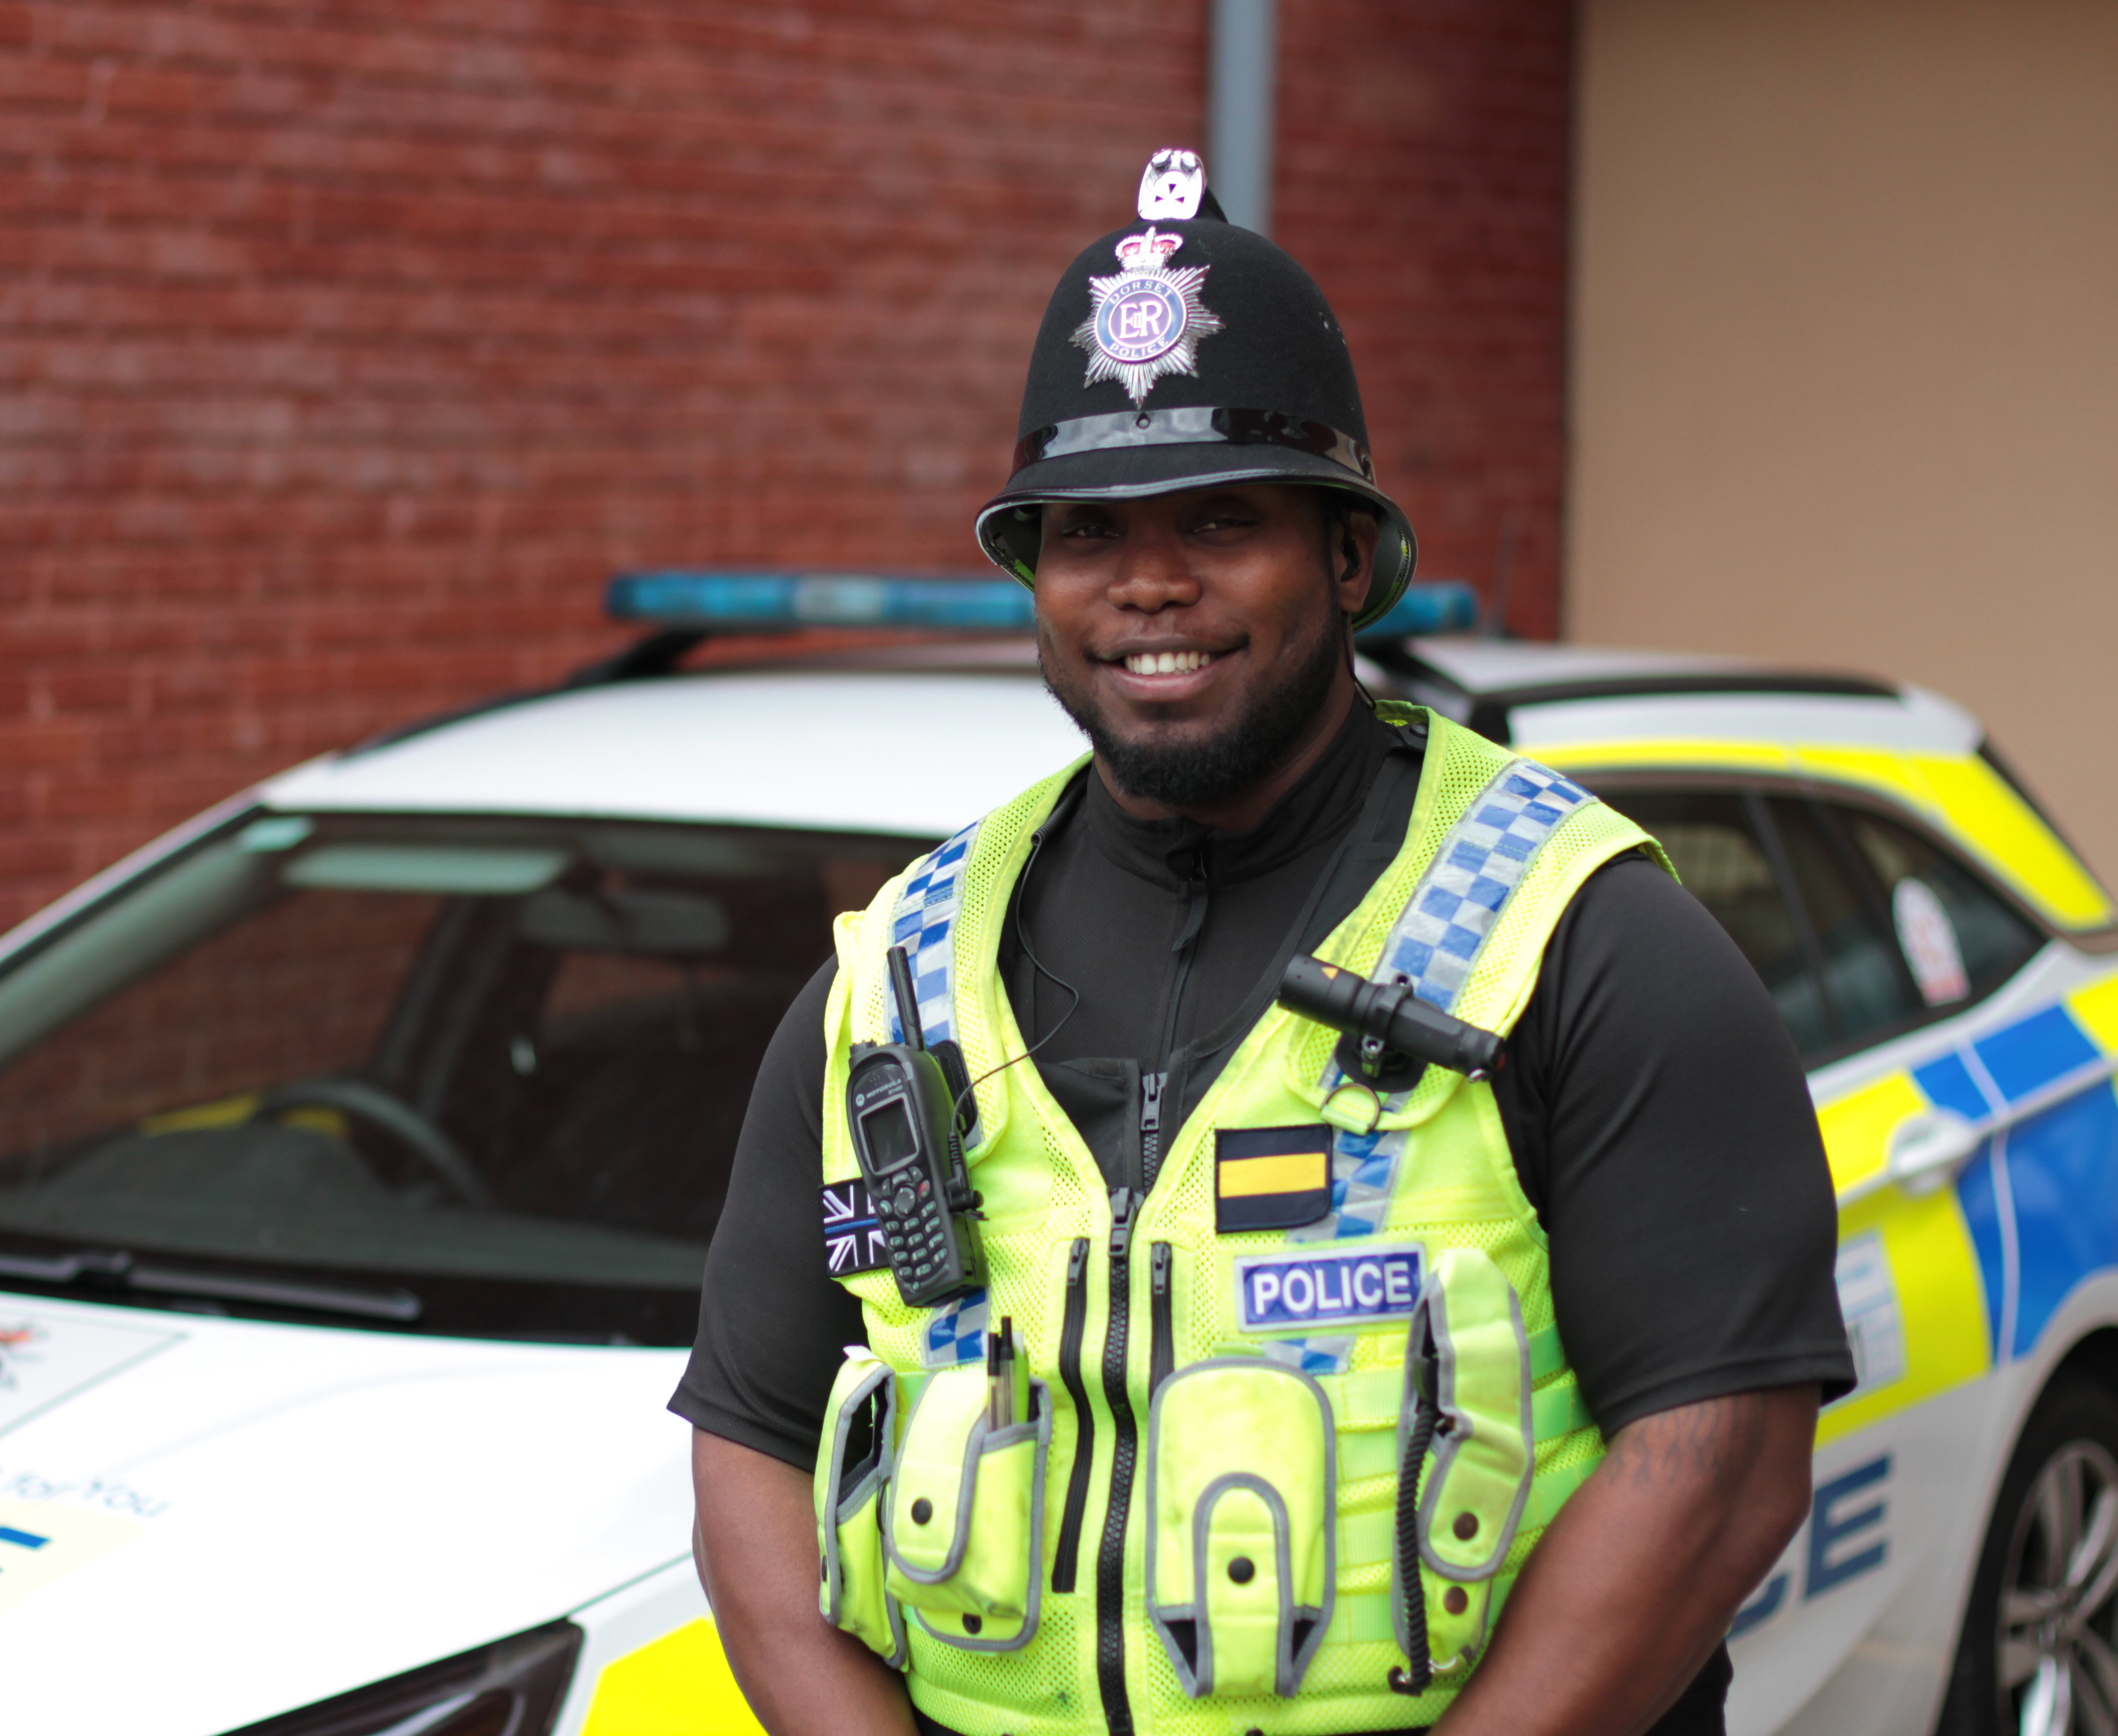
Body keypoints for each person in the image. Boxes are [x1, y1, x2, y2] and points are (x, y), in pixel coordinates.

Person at [672, 150, 1852, 1736]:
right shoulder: (898, 970)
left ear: (1349, 560)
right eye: (1088, 532)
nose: (1149, 583)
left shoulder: (1585, 939)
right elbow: (754, 1435)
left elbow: (1718, 1463)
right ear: (1035, 578)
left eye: (1222, 521)